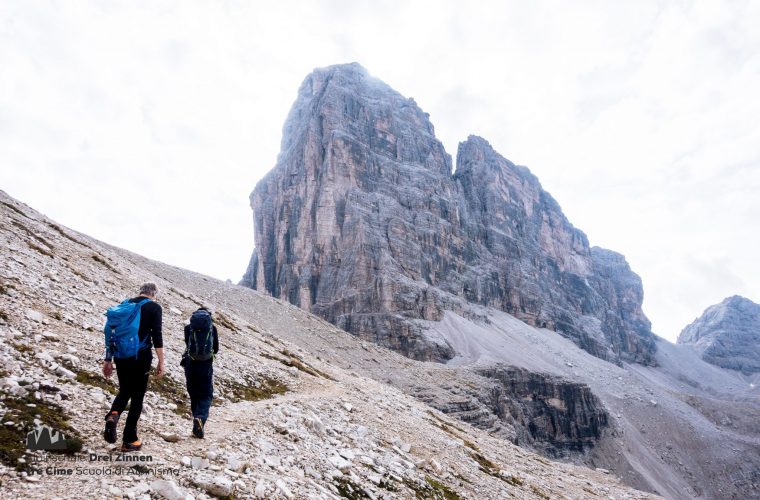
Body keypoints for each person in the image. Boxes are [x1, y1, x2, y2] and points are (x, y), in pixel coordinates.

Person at [102, 283, 164, 452]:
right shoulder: (154, 307)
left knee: (124, 390)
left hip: (121, 355)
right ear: (154, 294)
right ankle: (130, 439)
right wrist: (161, 361)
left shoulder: (125, 304)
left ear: (141, 291)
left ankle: (114, 414)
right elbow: (157, 336)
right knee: (137, 397)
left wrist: (108, 360)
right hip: (141, 356)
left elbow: (110, 331)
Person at [182, 307, 218, 438]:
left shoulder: (188, 328)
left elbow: (187, 344)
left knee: (194, 394)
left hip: (190, 364)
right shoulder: (212, 328)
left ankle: (196, 426)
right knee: (206, 395)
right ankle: (200, 418)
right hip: (205, 366)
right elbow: (216, 348)